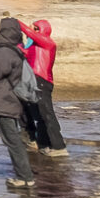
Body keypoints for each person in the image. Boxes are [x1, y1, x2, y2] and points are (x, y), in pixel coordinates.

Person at [0, 18, 36, 188]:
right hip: (11, 99)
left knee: (12, 140)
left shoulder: (3, 52)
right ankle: (25, 176)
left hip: (5, 101)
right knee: (13, 139)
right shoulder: (13, 49)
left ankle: (25, 177)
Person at [17, 18, 68, 152]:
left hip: (42, 82)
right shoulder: (33, 46)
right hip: (33, 81)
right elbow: (21, 51)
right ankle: (43, 144)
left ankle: (58, 146)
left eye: (34, 27)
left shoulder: (48, 43)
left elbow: (29, 33)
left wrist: (15, 21)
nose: (30, 30)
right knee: (38, 116)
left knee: (47, 114)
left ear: (40, 30)